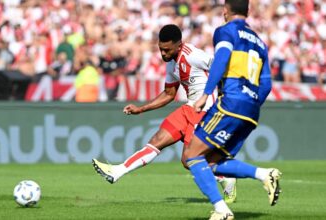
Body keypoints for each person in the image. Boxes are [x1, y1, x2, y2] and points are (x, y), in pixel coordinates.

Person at [92, 24, 237, 203]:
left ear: (179, 45)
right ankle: (117, 171)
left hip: (204, 110)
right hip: (188, 108)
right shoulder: (171, 63)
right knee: (156, 141)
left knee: (188, 160)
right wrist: (141, 108)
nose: (163, 54)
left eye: (167, 50)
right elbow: (169, 94)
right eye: (161, 49)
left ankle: (224, 176)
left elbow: (221, 66)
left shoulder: (194, 55)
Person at [183, 1, 282, 219]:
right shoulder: (260, 42)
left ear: (225, 10)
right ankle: (265, 174)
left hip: (231, 102)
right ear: (247, 12)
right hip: (251, 109)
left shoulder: (225, 31)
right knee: (212, 163)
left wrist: (206, 93)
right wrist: (251, 104)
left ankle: (222, 210)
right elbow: (266, 84)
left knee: (191, 155)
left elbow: (222, 58)